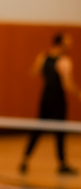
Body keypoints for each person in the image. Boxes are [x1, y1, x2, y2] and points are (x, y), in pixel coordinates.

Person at [20, 33, 80, 175]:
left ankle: (24, 161)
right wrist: (79, 93)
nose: (70, 45)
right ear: (61, 44)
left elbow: (34, 71)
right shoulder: (64, 61)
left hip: (45, 98)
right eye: (68, 42)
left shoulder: (43, 57)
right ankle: (62, 165)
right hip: (58, 100)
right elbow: (67, 84)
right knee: (59, 132)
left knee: (38, 129)